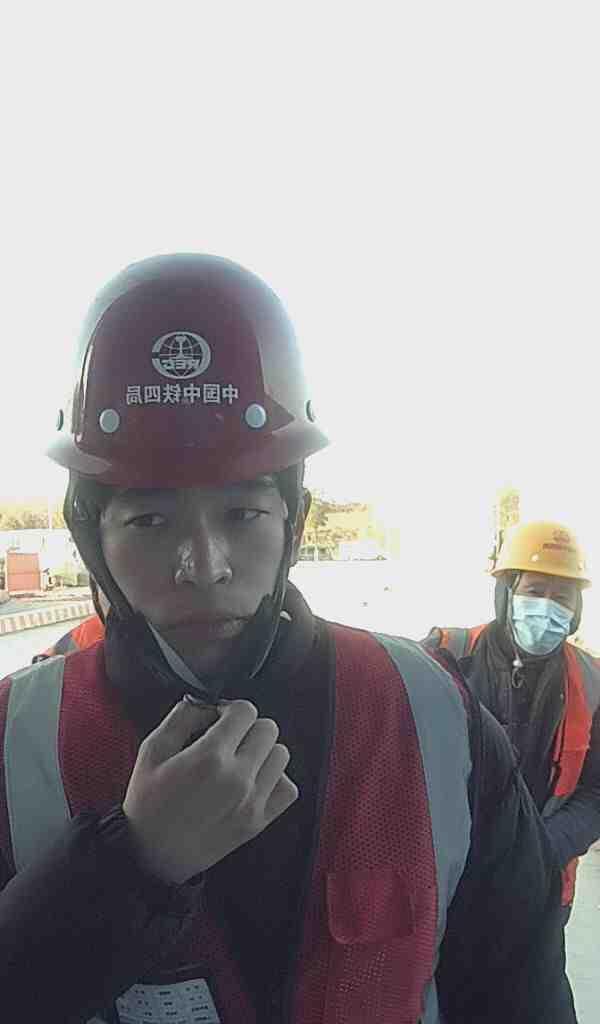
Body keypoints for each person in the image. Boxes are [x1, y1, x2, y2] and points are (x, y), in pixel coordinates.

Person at [0, 256, 576, 1023]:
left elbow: (520, 991)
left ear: (292, 521)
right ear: (92, 534)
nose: (203, 566)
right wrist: (129, 866)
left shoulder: (432, 714)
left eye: (242, 515)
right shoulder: (18, 739)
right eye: (150, 520)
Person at [423, 519, 600, 917]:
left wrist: (540, 850)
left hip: (541, 887)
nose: (548, 607)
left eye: (562, 597)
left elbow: (596, 791)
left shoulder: (593, 682)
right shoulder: (443, 656)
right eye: (535, 591)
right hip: (449, 884)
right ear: (505, 594)